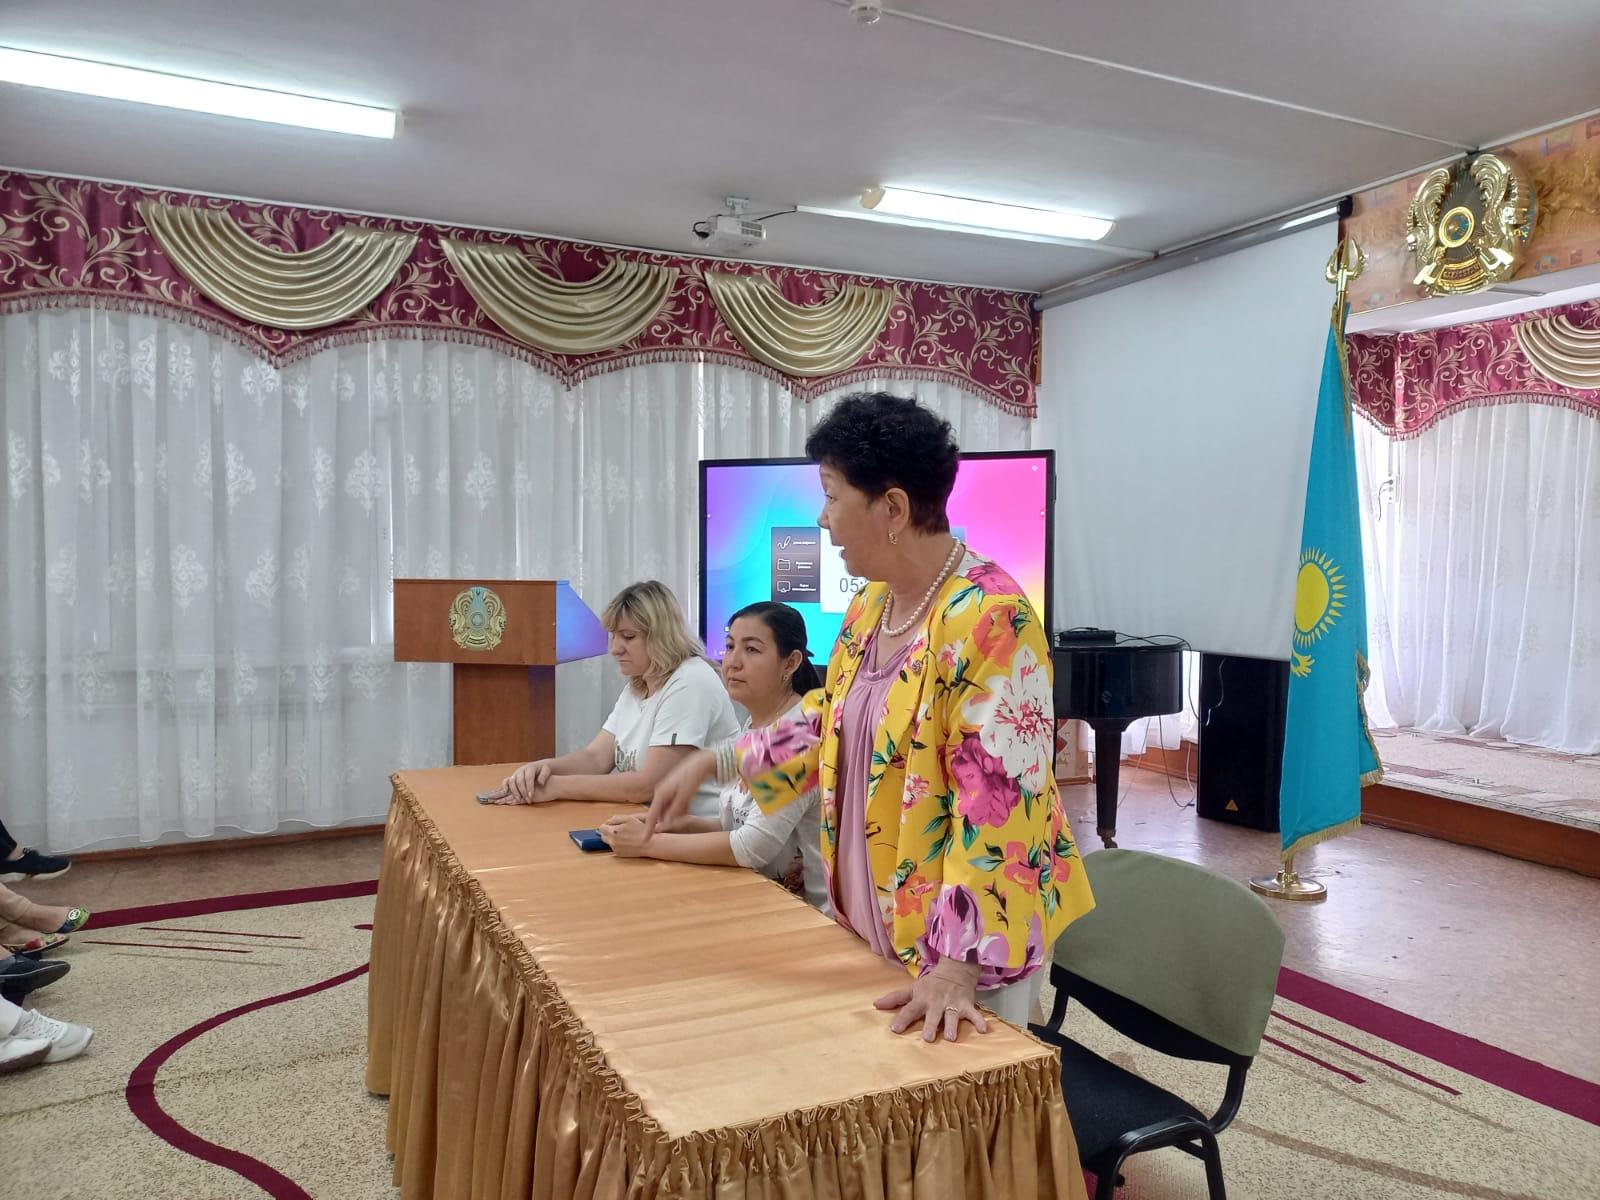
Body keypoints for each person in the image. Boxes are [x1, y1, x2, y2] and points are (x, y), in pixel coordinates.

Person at [648, 393, 1095, 1041]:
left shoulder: (991, 616)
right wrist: (715, 766)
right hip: (872, 921)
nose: (822, 518)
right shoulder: (870, 606)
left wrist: (956, 967)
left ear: (893, 509)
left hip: (959, 955)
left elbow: (1002, 804)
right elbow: (829, 724)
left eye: (832, 496)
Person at [599, 602, 828, 912]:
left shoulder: (801, 732)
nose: (733, 662)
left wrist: (648, 843)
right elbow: (736, 827)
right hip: (759, 899)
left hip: (809, 918)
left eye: (752, 650)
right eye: (730, 646)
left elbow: (752, 847)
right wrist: (676, 826)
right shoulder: (758, 724)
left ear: (790, 663)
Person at [491, 581, 739, 817]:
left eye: (628, 637)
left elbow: (649, 786)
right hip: (652, 823)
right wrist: (542, 769)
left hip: (702, 831)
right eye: (614, 636)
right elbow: (596, 758)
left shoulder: (690, 681)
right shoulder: (639, 683)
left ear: (661, 636)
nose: (615, 649)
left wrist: (555, 786)